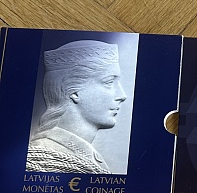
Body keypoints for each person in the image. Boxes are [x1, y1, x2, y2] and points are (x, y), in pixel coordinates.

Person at [26, 40, 126, 174]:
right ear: (74, 92)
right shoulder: (44, 157)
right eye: (109, 82)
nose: (122, 95)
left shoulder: (88, 158)